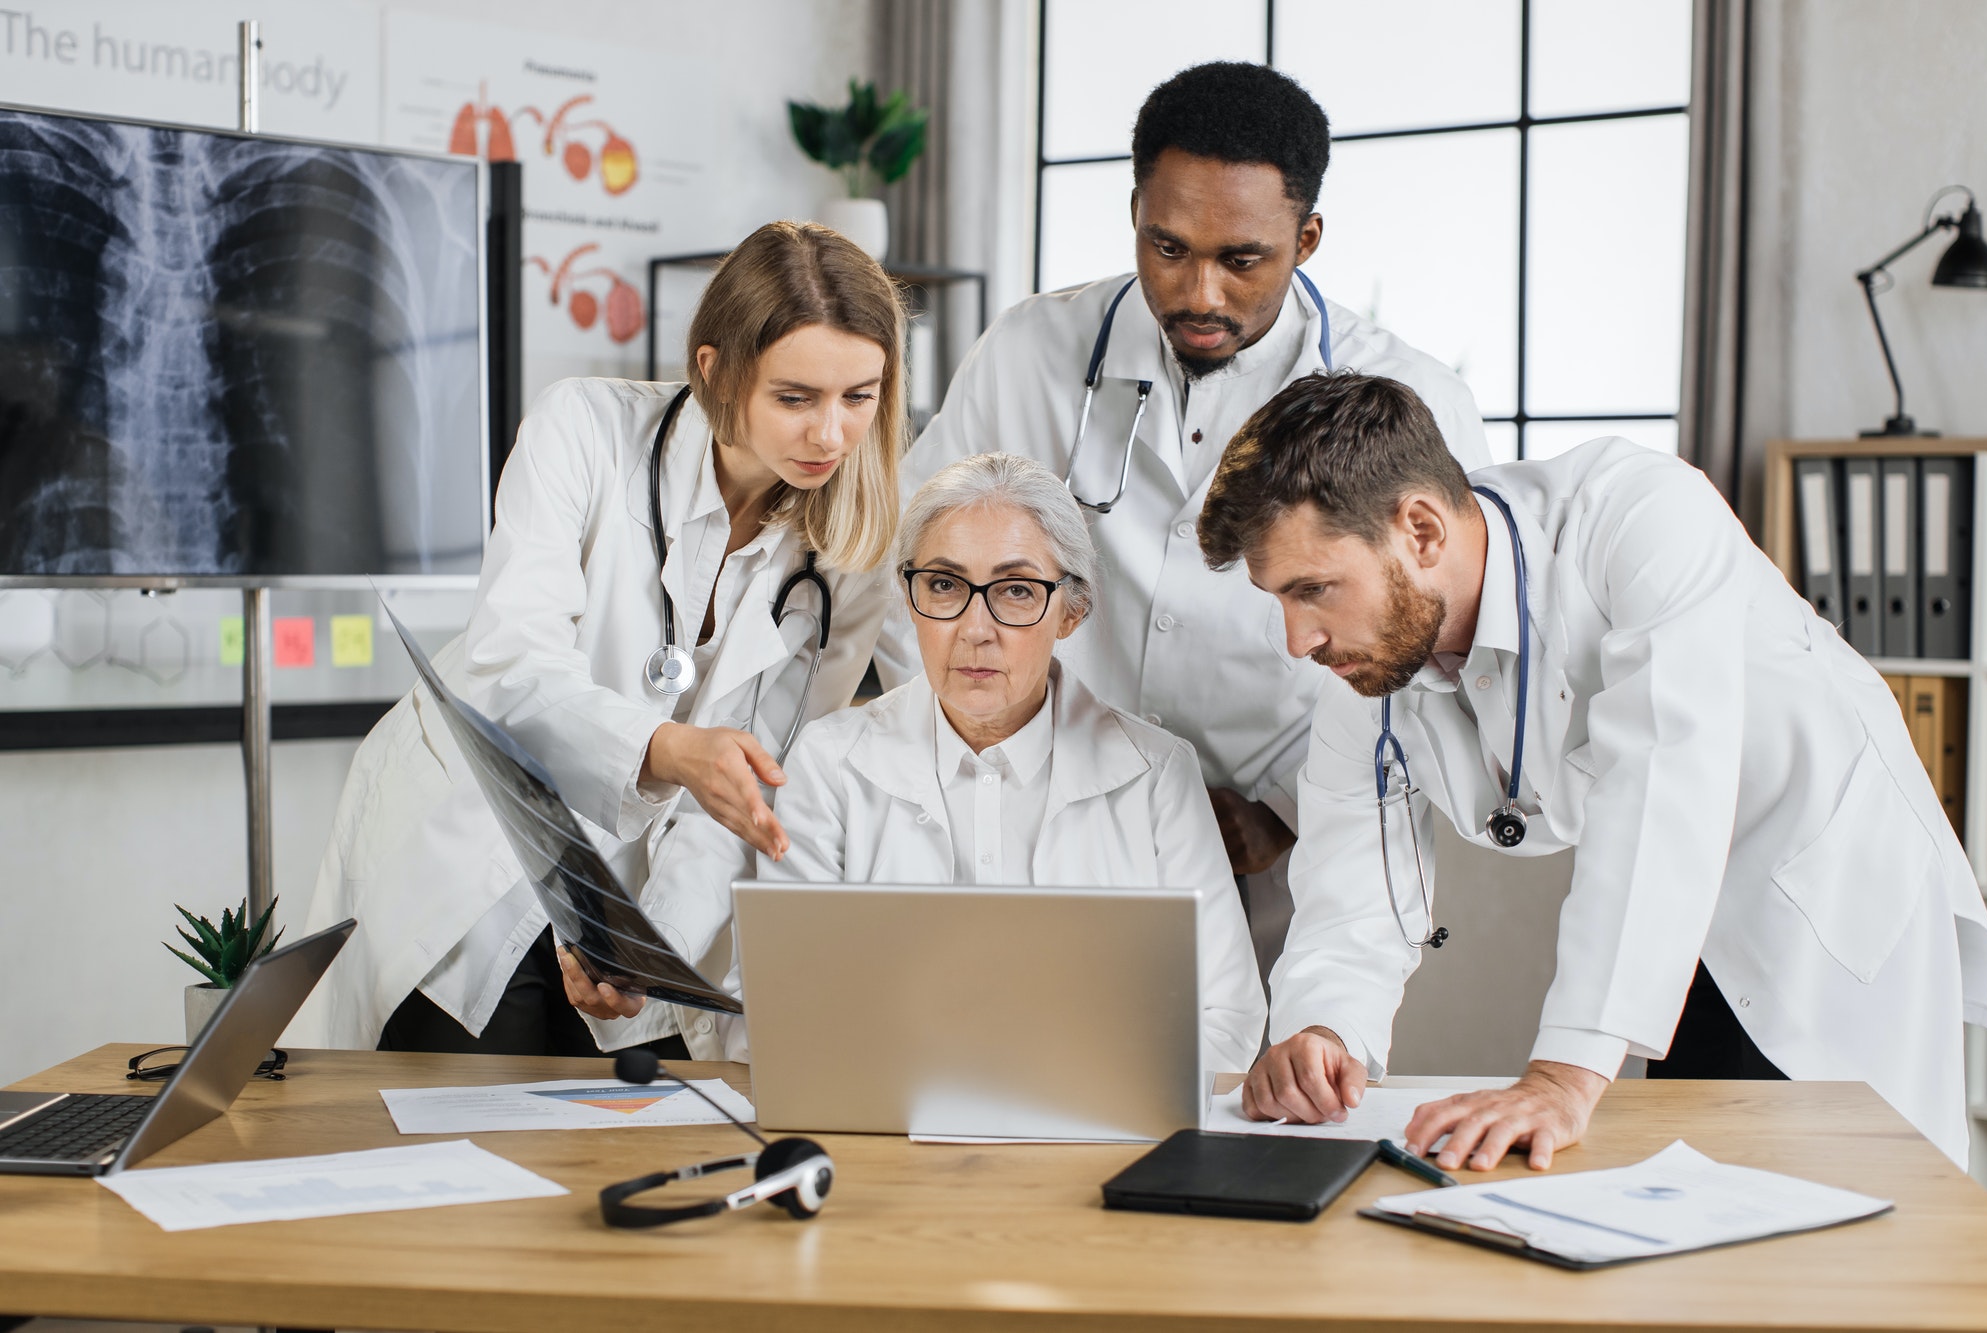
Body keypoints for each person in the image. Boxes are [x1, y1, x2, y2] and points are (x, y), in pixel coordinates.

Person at [1196, 370, 1987, 1169]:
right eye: (1280, 599)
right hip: (1677, 917)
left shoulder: (1645, 518)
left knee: (1850, 1200)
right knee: (1703, 1203)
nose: (1298, 639)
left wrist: (1560, 1076)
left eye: (1314, 589)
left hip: (1819, 888)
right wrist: (1324, 1028)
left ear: (1422, 531)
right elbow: (1353, 875)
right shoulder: (1368, 661)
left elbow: (1661, 790)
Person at [883, 61, 1491, 971]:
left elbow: (1437, 658)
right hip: (1044, 832)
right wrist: (989, 770)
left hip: (1286, 858)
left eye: (1241, 260)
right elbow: (910, 577)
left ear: (1308, 237)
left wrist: (1287, 807)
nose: (1200, 293)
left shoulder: (1412, 400)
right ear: (1135, 214)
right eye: (1168, 248)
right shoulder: (1030, 352)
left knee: (1271, 1092)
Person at [299, 221, 903, 1059]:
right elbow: (509, 670)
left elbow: (741, 801)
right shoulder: (583, 431)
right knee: (449, 1134)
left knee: (592, 1150)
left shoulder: (852, 558)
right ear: (715, 370)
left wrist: (649, 946)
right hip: (479, 846)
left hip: (627, 891)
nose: (831, 435)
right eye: (795, 398)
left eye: (859, 397)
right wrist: (666, 748)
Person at [656, 452, 1265, 1072]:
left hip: (1095, 1148)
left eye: (1017, 591)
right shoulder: (832, 762)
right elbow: (779, 1010)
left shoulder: (1157, 774)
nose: (976, 629)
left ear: (1072, 612)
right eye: (945, 585)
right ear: (909, 596)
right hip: (886, 1143)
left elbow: (1227, 1020)